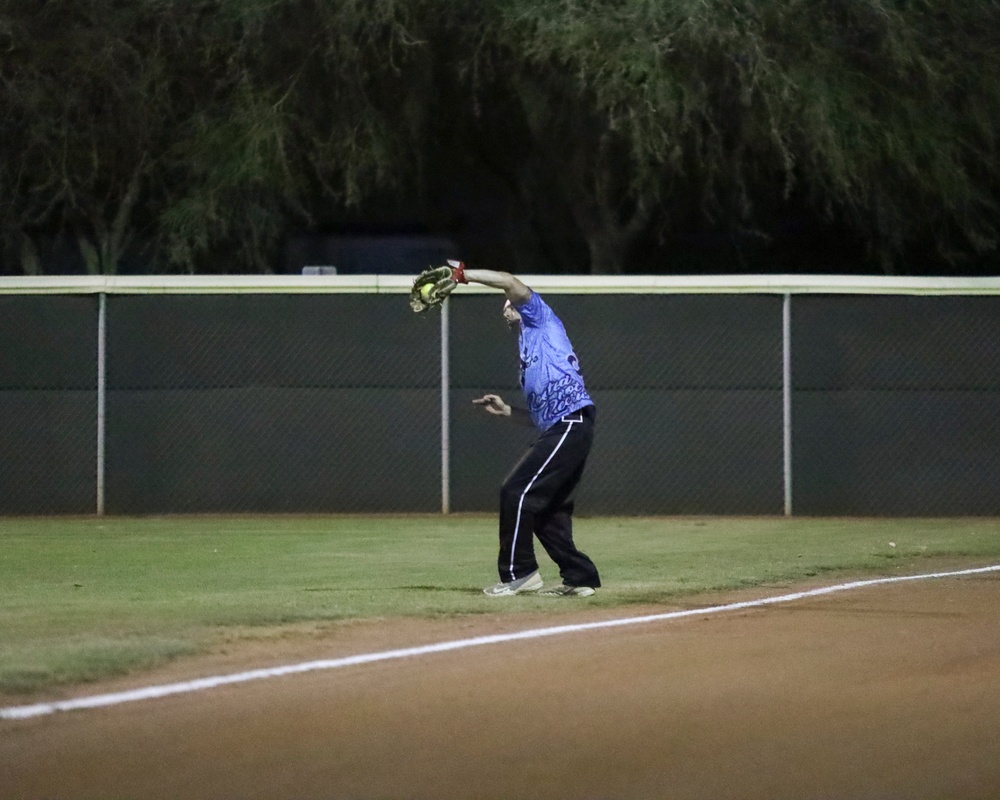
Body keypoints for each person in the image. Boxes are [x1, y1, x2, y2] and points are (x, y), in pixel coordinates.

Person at [455, 264, 602, 597]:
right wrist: (508, 411)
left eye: (508, 303)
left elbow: (507, 281)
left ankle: (519, 574)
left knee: (515, 491)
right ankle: (580, 576)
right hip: (564, 425)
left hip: (572, 421)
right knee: (547, 512)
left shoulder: (540, 318)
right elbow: (539, 416)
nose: (505, 307)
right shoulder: (528, 354)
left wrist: (464, 275)